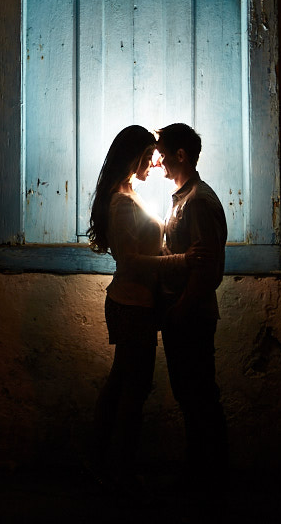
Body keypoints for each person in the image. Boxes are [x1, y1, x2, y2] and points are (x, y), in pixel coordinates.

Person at [88, 125, 202, 492]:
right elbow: (132, 262)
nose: (155, 163)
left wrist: (170, 256)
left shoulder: (128, 194)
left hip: (138, 304)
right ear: (133, 156)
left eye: (157, 156)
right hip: (131, 304)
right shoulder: (121, 202)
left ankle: (105, 465)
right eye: (150, 156)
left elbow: (145, 253)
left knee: (124, 385)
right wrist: (180, 261)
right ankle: (117, 471)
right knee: (132, 391)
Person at [154, 122, 228, 486]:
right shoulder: (184, 198)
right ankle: (201, 472)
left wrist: (181, 307)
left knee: (199, 395)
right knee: (191, 393)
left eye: (163, 153)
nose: (159, 162)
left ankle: (208, 479)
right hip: (184, 312)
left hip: (191, 315)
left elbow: (207, 266)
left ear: (180, 155)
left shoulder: (197, 201)